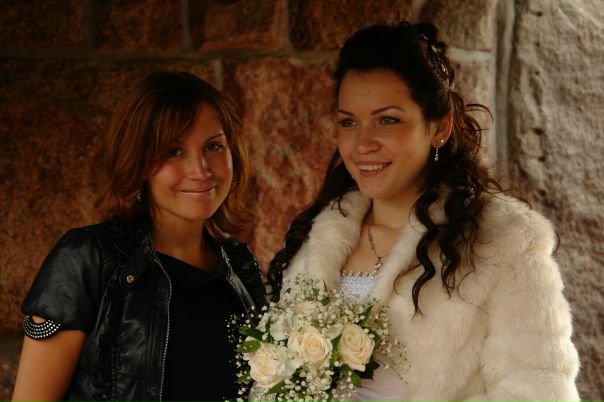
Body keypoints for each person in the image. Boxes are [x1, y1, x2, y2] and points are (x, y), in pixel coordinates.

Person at [267, 22, 579, 401]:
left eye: (387, 120)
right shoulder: (317, 239)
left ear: (439, 128)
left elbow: (542, 391)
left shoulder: (503, 240)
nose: (362, 143)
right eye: (348, 122)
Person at [11, 71, 266, 402]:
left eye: (213, 146)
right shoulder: (88, 258)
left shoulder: (241, 270)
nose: (201, 169)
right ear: (137, 161)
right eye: (173, 151)